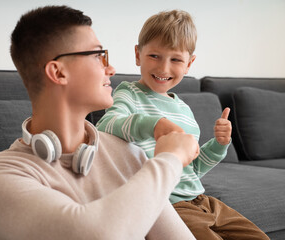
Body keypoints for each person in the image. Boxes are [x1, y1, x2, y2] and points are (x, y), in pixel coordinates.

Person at [0, 6, 201, 240]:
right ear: (58, 73)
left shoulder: (129, 155)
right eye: (99, 56)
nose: (111, 68)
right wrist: (170, 159)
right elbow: (95, 235)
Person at [96, 10, 269, 239]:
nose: (163, 68)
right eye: (154, 56)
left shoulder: (185, 111)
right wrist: (154, 124)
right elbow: (106, 125)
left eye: (175, 59)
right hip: (168, 207)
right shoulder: (128, 93)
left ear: (189, 63)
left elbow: (193, 169)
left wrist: (218, 145)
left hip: (203, 200)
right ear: (138, 54)